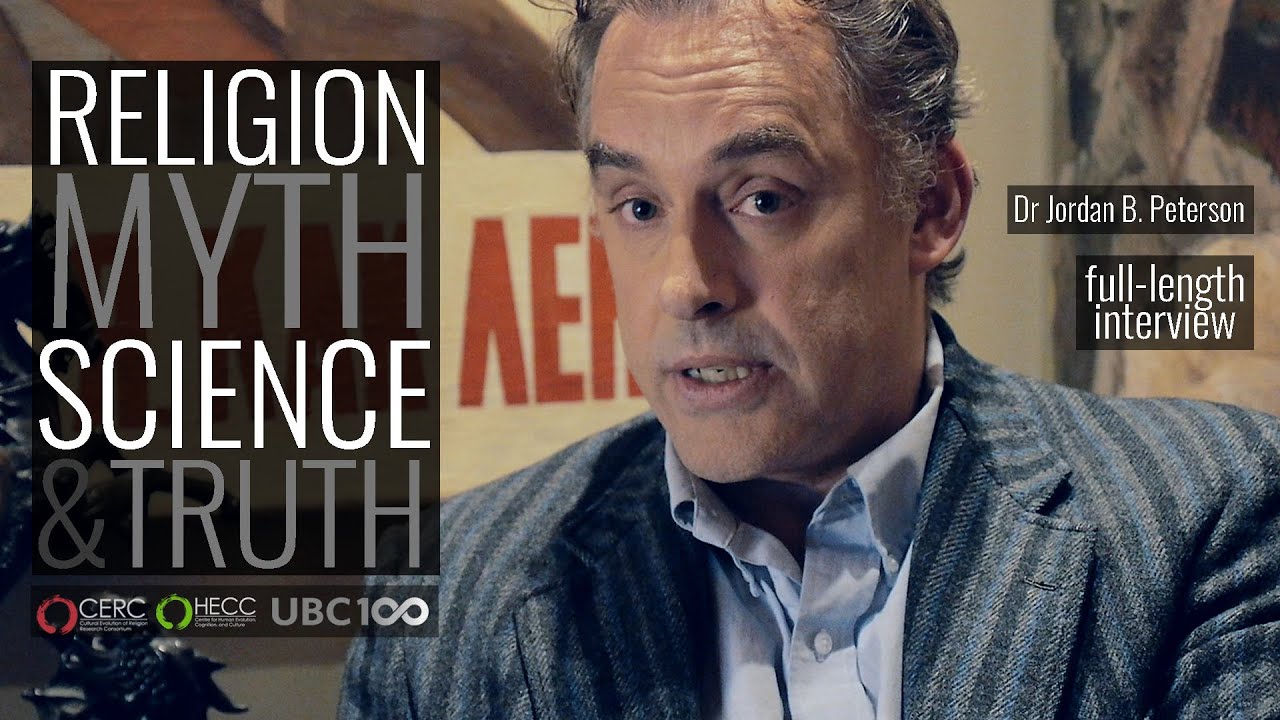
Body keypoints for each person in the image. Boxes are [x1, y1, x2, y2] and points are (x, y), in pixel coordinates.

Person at [339, 0, 1280, 717]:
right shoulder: (453, 592)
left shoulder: (1209, 514)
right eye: (639, 206)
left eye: (762, 198)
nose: (688, 285)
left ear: (930, 207)